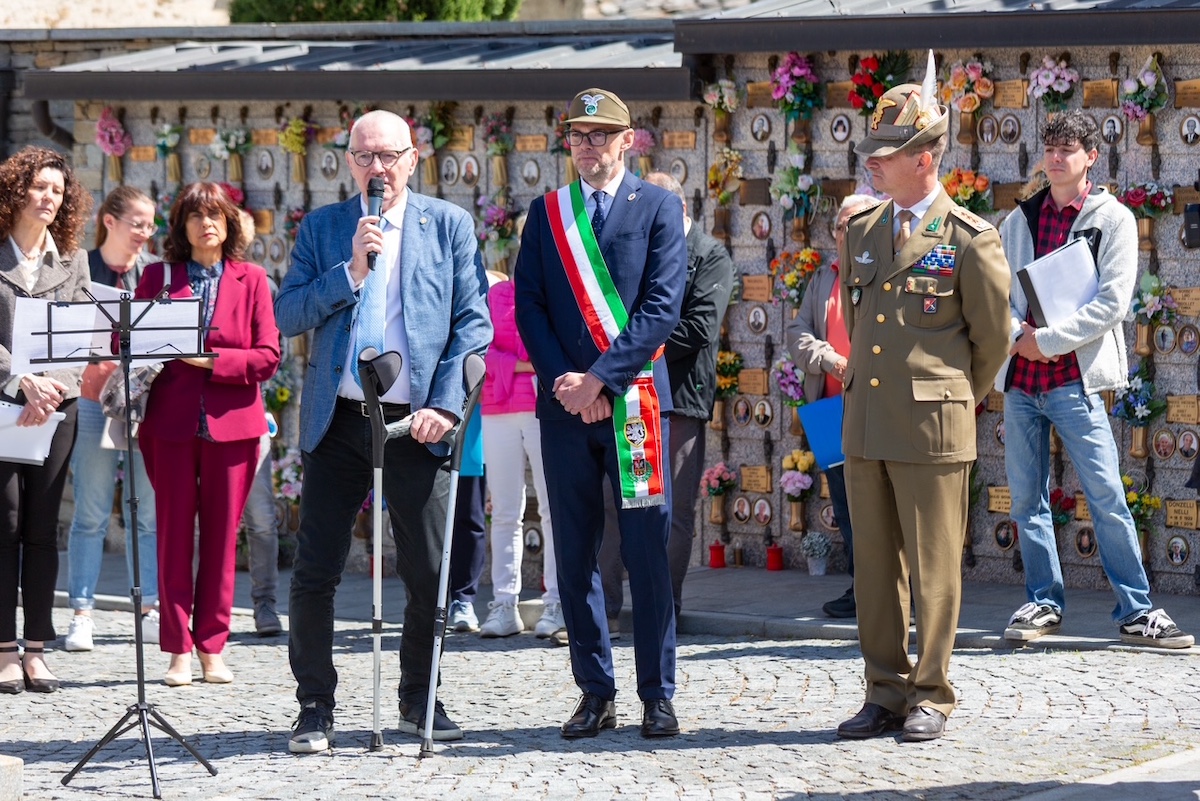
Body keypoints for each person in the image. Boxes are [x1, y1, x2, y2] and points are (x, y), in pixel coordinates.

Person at [276, 110, 491, 753]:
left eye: (390, 155)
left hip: (416, 421)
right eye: (365, 156)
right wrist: (350, 274)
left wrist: (445, 407)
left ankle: (419, 698)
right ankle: (314, 705)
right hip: (340, 418)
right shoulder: (324, 228)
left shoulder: (447, 225)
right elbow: (288, 313)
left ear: (412, 159)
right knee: (316, 568)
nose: (378, 168)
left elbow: (472, 324)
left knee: (426, 570)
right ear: (349, 162)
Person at [834, 62, 1012, 744]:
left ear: (926, 157)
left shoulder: (970, 238)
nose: (874, 163)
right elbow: (861, 323)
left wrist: (954, 399)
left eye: (888, 153)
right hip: (868, 425)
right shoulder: (862, 229)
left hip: (933, 426)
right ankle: (884, 689)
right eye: (873, 152)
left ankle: (931, 692)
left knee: (934, 568)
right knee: (876, 568)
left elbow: (992, 342)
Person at [514, 88, 686, 739]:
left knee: (646, 552)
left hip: (634, 403)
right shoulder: (547, 212)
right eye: (578, 135)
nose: (588, 146)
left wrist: (600, 382)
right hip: (564, 408)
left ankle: (657, 694)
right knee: (574, 552)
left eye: (601, 134)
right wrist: (567, 381)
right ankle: (595, 691)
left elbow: (661, 306)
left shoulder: (658, 206)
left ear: (627, 139)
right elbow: (529, 304)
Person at [997, 110, 1194, 652]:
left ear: (1090, 157)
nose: (1056, 158)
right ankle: (1043, 601)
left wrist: (1047, 341)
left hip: (1073, 382)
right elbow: (999, 294)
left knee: (1106, 496)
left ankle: (1136, 610)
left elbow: (1112, 303)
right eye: (1050, 148)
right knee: (1026, 501)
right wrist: (1017, 336)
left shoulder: (1114, 220)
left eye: (1068, 150)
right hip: (1021, 382)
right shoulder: (1019, 221)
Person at [135, 182, 280, 688]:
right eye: (196, 215)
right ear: (182, 226)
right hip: (169, 426)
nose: (206, 223)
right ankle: (177, 649)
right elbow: (125, 340)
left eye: (215, 214)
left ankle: (212, 647)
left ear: (230, 222)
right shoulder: (157, 277)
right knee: (173, 537)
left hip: (234, 426)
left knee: (221, 541)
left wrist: (212, 361)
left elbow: (268, 356)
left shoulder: (253, 279)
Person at [597, 170, 734, 635]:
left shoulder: (710, 254)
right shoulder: (635, 245)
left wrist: (631, 348)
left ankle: (661, 612)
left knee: (671, 511)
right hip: (624, 392)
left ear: (675, 208)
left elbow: (699, 328)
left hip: (678, 397)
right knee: (613, 504)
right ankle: (607, 612)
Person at [0, 146, 92, 694]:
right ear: (16, 191)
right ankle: (3, 650)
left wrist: (49, 388)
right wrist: (21, 380)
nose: (48, 197)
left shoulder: (73, 260)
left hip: (58, 405)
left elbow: (80, 335)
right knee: (5, 525)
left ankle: (35, 648)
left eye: (57, 190)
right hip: (3, 402)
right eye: (39, 186)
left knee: (42, 528)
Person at [63, 186, 160, 653]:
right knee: (91, 512)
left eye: (150, 225)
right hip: (91, 401)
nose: (146, 232)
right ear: (109, 222)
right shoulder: (80, 268)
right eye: (138, 223)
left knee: (149, 513)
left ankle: (151, 608)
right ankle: (81, 612)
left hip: (145, 403)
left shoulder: (154, 272)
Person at [785, 193, 876, 619]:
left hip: (874, 405)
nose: (847, 233)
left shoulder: (884, 273)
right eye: (841, 226)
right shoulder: (823, 278)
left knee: (879, 502)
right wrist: (829, 359)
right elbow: (798, 333)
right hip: (828, 408)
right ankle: (861, 588)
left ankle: (895, 592)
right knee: (844, 504)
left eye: (857, 225)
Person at [478, 241, 563, 640]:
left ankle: (556, 601)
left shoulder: (554, 295)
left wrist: (512, 365)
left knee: (552, 508)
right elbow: (481, 351)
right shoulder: (494, 296)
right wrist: (524, 365)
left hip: (543, 409)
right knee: (505, 510)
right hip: (497, 409)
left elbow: (551, 351)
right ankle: (504, 604)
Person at [235, 208, 283, 638]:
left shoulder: (260, 284)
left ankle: (265, 604)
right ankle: (199, 606)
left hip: (249, 412)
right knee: (202, 522)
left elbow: (269, 354)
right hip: (201, 417)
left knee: (262, 518)